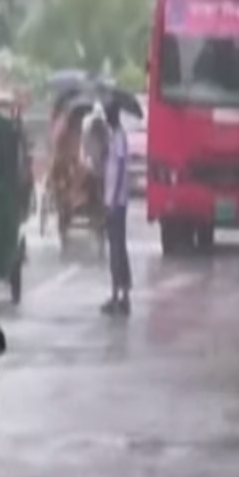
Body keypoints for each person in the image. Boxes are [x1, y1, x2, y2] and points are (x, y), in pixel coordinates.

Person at [101, 100, 133, 316]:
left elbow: (120, 167)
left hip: (117, 202)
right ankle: (119, 294)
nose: (105, 118)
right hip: (111, 199)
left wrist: (112, 199)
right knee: (115, 248)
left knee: (117, 250)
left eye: (107, 115)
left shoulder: (119, 137)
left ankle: (120, 296)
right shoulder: (113, 137)